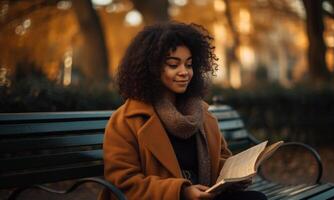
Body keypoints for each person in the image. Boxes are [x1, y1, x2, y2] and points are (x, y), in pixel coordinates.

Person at [99, 21, 267, 200]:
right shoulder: (126, 120)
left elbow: (219, 160)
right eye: (173, 65)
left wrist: (236, 177)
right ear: (152, 69)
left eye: (189, 64)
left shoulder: (202, 115)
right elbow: (125, 182)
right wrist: (181, 192)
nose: (184, 72)